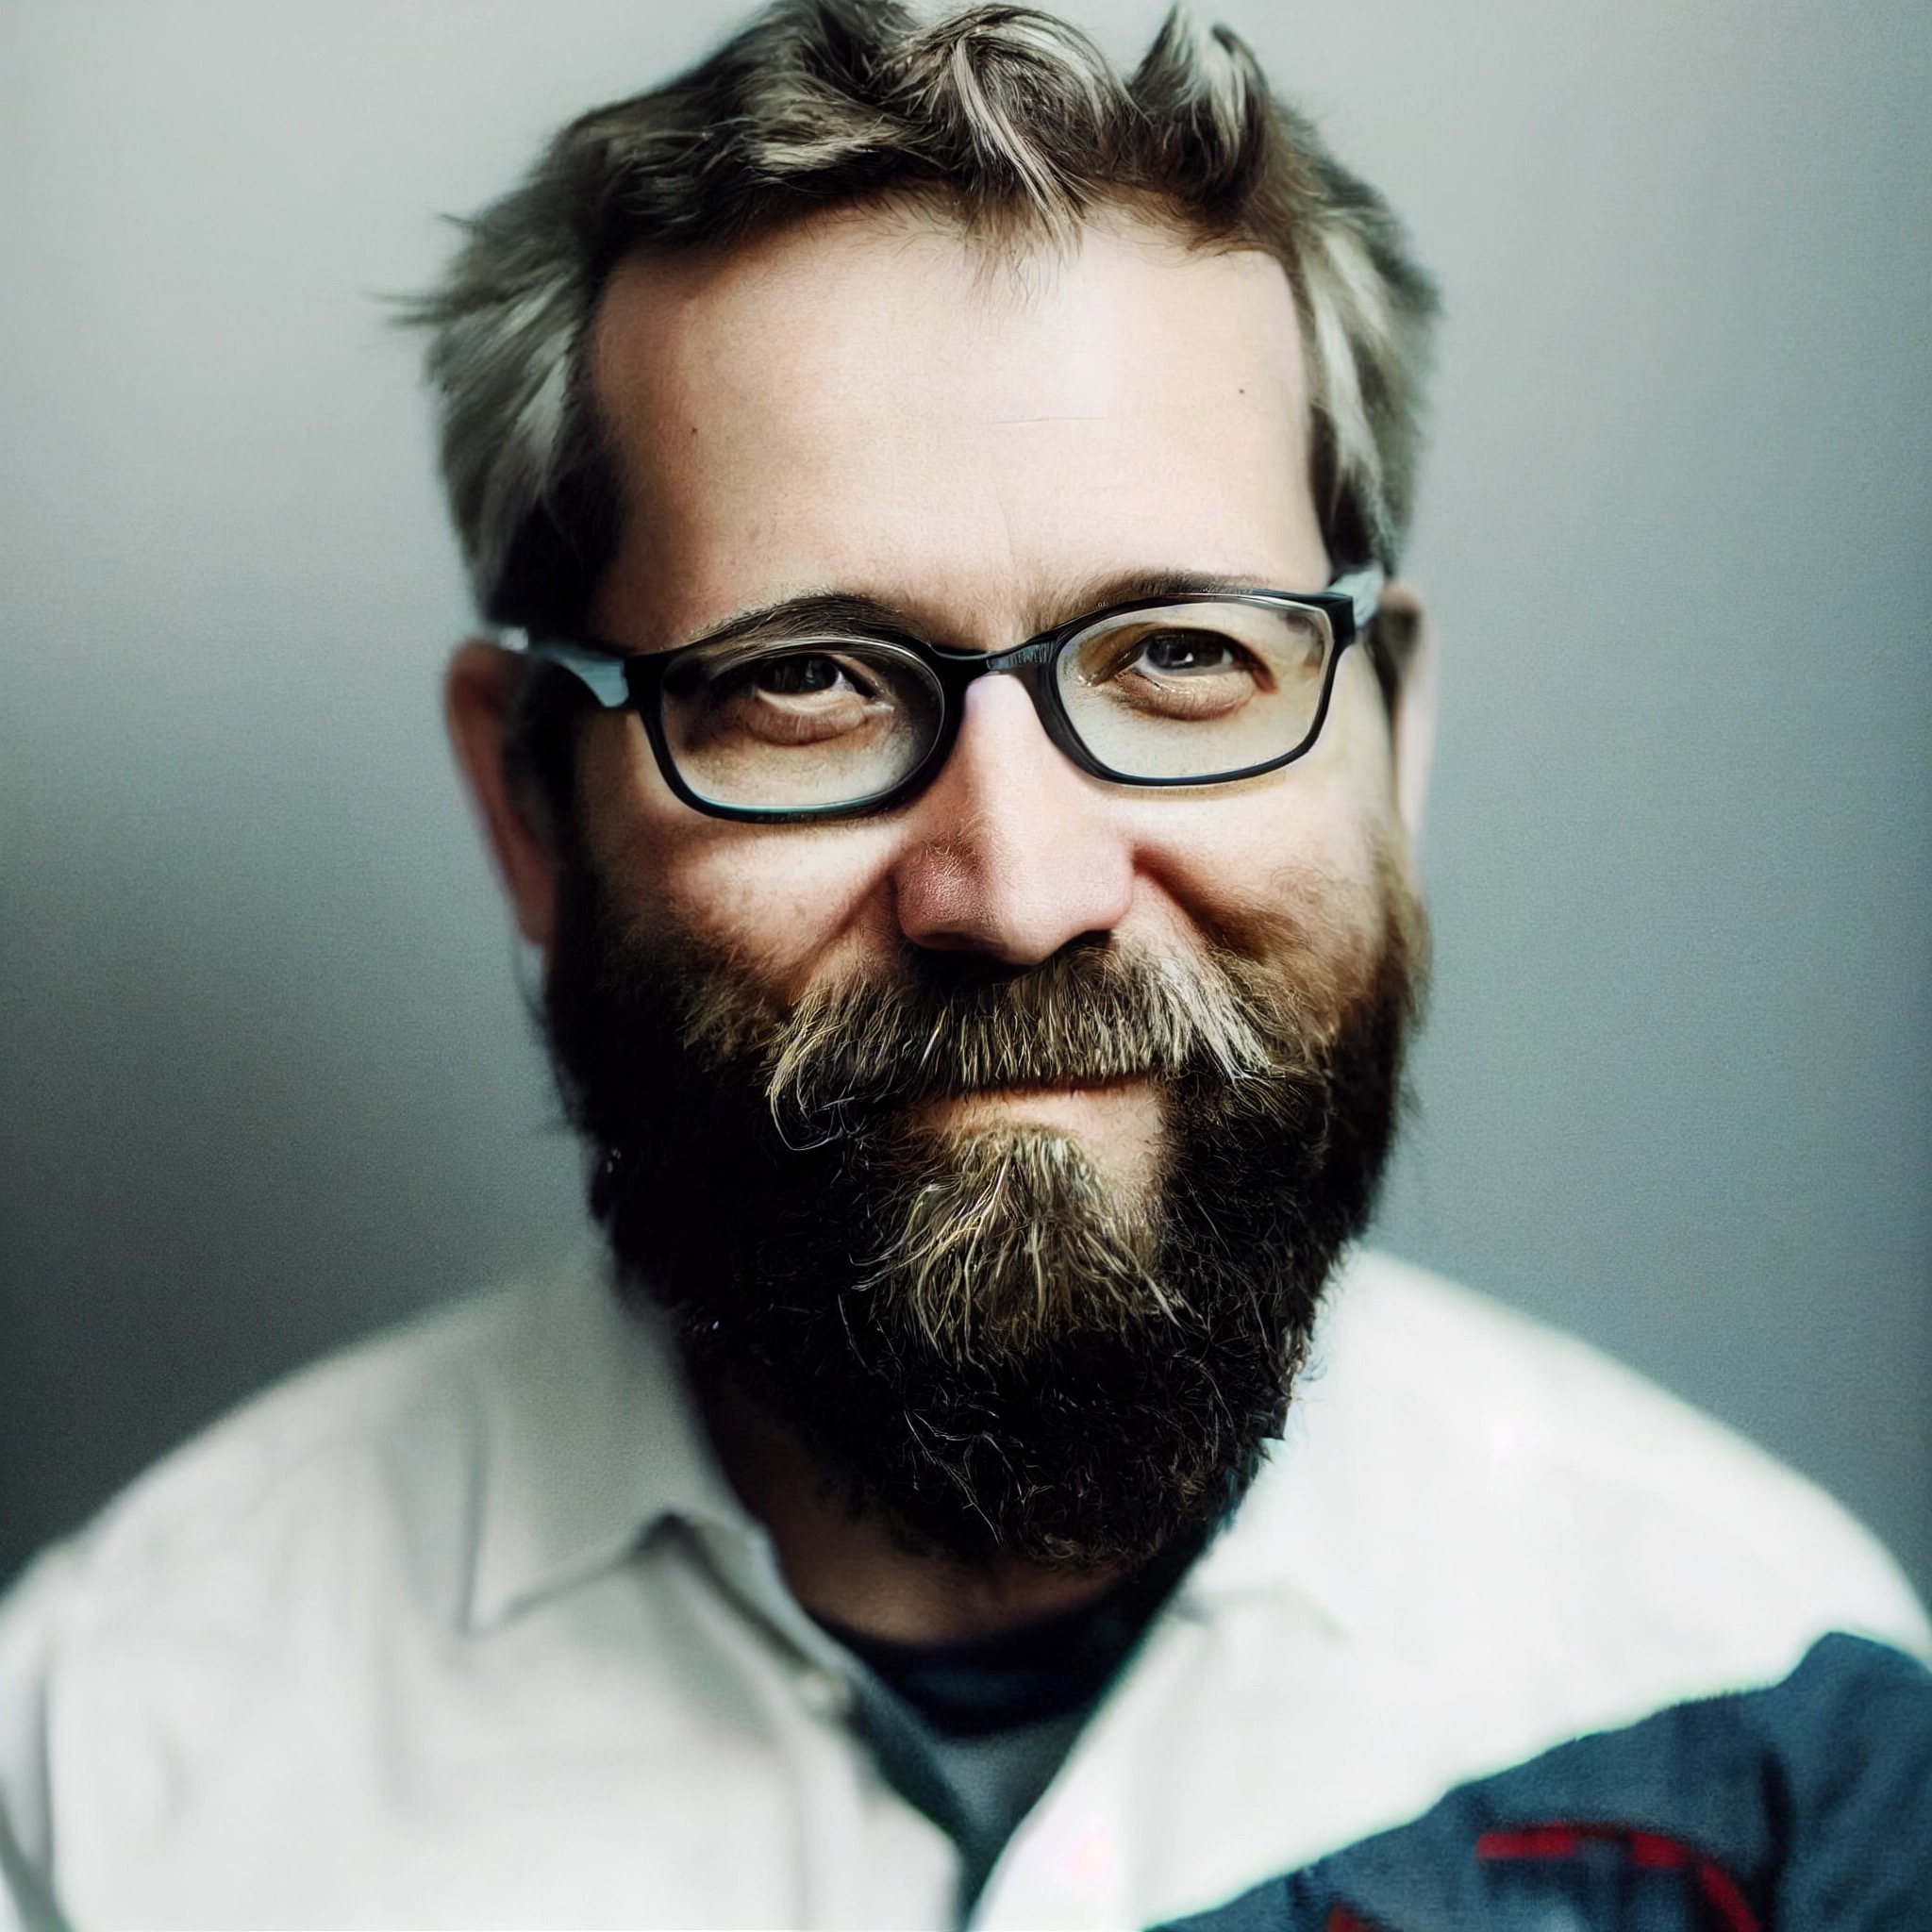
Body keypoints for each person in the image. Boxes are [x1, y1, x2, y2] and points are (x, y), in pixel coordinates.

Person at [1, 3, 1926, 1926]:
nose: (1014, 887)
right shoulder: (115, 1770)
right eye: (806, 681)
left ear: (1392, 736)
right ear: (527, 799)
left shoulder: (1775, 1715)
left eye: (1183, 657)